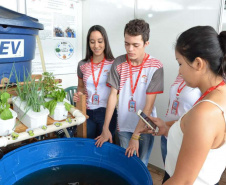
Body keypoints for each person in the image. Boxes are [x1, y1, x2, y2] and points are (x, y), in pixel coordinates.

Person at [140, 26, 226, 184]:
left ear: (198, 63)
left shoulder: (205, 114)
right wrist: (167, 127)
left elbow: (183, 181)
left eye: (180, 63)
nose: (179, 72)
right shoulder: (219, 94)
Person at [95, 19, 164, 167]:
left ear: (146, 44)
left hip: (145, 128)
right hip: (124, 125)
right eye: (127, 43)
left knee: (141, 165)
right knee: (126, 166)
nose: (130, 49)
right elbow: (112, 96)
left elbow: (148, 105)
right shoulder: (119, 63)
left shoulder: (155, 66)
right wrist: (106, 127)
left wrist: (136, 135)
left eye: (135, 45)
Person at [74, 25, 117, 139]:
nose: (96, 46)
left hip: (107, 113)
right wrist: (79, 96)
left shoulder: (114, 64)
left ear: (105, 42)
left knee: (104, 148)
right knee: (87, 146)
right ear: (88, 43)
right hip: (88, 113)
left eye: (100, 41)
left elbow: (117, 92)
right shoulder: (82, 65)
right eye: (92, 42)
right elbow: (81, 87)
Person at [161, 74, 201, 164]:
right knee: (167, 173)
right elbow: (173, 98)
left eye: (181, 63)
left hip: (182, 138)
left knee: (176, 174)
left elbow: (196, 120)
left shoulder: (204, 82)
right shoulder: (181, 74)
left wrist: (165, 124)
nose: (180, 69)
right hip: (167, 133)